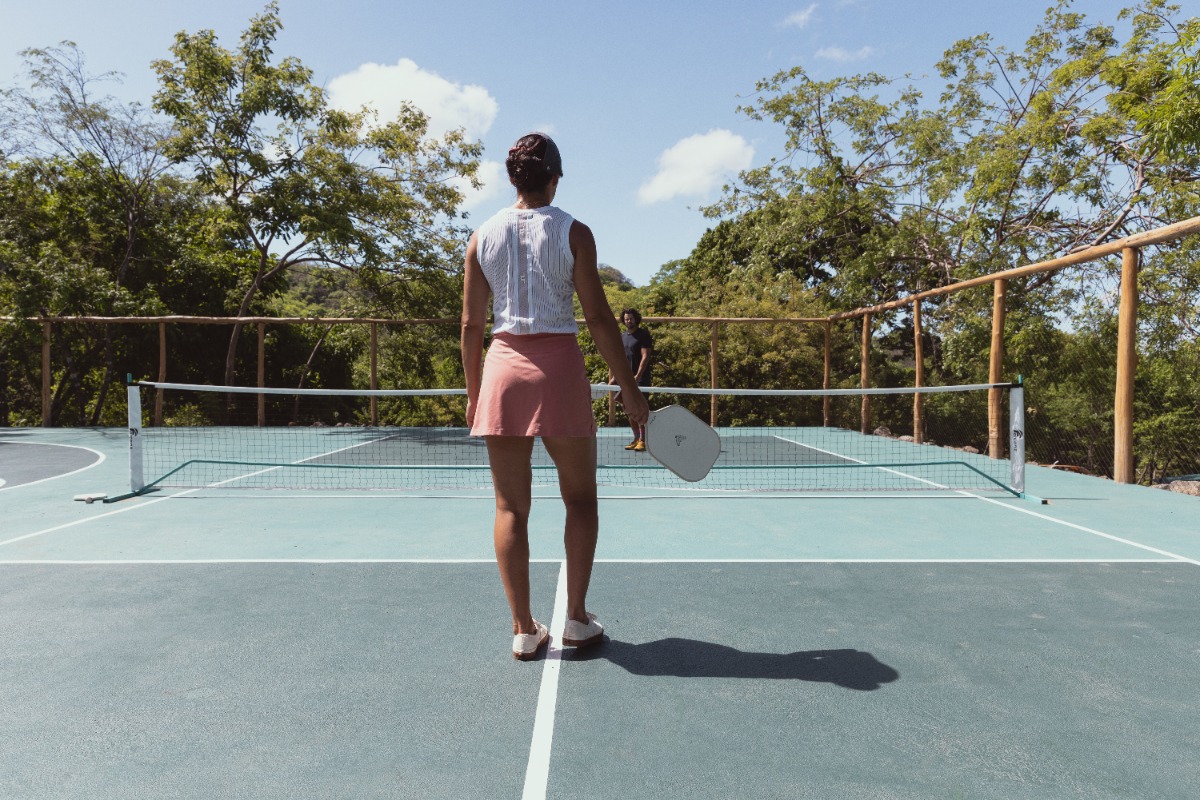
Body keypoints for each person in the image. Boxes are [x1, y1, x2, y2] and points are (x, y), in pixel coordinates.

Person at [461, 132, 650, 661]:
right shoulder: (575, 232)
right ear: (555, 176)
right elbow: (596, 317)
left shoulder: (482, 235)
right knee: (581, 501)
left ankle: (523, 628)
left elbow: (472, 324)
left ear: (513, 178)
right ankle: (576, 619)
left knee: (509, 508)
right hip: (561, 372)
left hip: (501, 374)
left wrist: (476, 395)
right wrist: (630, 390)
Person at [617, 308, 652, 451]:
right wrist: (615, 378)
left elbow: (645, 356)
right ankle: (636, 438)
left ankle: (643, 440)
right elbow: (620, 359)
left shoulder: (643, 335)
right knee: (629, 410)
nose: (628, 321)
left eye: (630, 318)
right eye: (626, 319)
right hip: (625, 381)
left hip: (641, 380)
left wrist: (637, 376)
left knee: (640, 409)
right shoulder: (622, 336)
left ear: (636, 319)